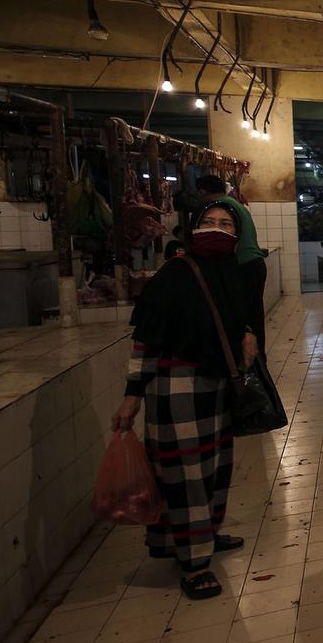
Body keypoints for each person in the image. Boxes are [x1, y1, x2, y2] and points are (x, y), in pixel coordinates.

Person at [111, 200, 258, 600]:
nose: (216, 229)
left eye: (225, 223)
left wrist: (246, 332)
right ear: (192, 229)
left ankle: (205, 534)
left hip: (217, 385)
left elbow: (233, 318)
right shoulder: (173, 275)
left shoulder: (230, 272)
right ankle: (195, 564)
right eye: (208, 222)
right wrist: (132, 395)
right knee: (186, 476)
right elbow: (146, 338)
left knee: (215, 468)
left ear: (237, 233)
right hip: (177, 387)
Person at [197, 175, 268, 354]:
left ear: (202, 192)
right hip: (254, 263)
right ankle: (258, 359)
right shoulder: (234, 204)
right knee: (254, 316)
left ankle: (249, 359)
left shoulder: (220, 207)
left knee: (242, 319)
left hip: (242, 265)